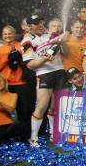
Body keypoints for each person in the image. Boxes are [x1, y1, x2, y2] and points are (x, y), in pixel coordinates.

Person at [21, 16, 67, 146]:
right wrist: (45, 59)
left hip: (60, 71)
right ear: (29, 26)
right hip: (44, 73)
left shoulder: (50, 34)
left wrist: (62, 38)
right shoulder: (27, 41)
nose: (40, 25)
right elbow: (30, 65)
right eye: (36, 24)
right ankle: (34, 138)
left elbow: (64, 42)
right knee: (41, 106)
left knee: (55, 106)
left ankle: (54, 134)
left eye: (41, 22)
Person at [0, 25, 33, 140]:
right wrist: (7, 57)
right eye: (5, 34)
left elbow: (29, 62)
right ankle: (4, 135)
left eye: (10, 33)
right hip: (6, 84)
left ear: (15, 34)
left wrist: (20, 59)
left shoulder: (21, 46)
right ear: (2, 36)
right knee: (4, 112)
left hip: (21, 83)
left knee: (24, 111)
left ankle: (24, 135)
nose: (8, 36)